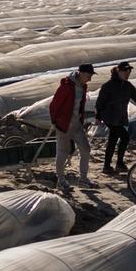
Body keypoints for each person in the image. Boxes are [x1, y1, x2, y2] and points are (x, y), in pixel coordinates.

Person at [48, 63, 96, 195]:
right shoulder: (67, 86)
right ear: (81, 73)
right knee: (63, 151)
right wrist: (54, 121)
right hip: (64, 124)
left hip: (76, 125)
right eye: (88, 75)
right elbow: (54, 105)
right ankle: (61, 180)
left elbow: (79, 105)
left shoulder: (83, 86)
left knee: (86, 148)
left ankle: (83, 179)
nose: (90, 79)